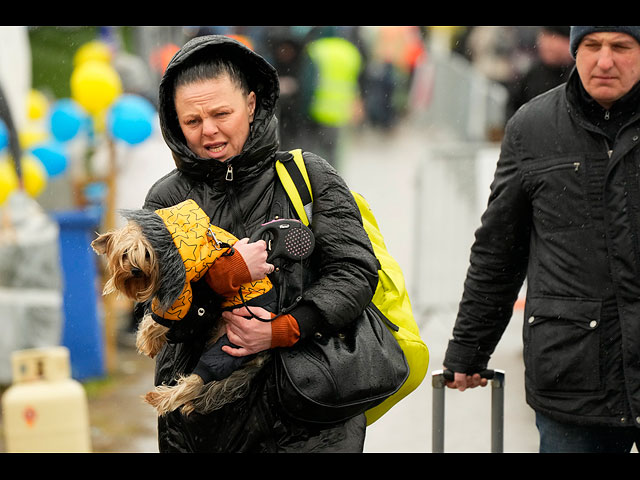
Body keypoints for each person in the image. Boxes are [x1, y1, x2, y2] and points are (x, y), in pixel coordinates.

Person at [139, 34, 378, 452]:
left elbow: (355, 272)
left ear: (251, 104)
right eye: (192, 121)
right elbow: (164, 320)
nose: (208, 130)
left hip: (311, 418)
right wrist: (220, 280)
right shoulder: (166, 200)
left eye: (221, 113)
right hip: (205, 427)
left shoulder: (308, 176)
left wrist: (285, 329)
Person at [443, 26, 640, 453]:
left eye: (621, 47)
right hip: (575, 376)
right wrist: (469, 348)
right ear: (575, 50)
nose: (604, 61)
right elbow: (499, 250)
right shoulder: (532, 128)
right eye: (592, 46)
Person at [506, 27, 575, 119]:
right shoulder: (533, 74)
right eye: (545, 36)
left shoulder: (578, 77)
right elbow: (514, 109)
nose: (547, 44)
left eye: (555, 37)